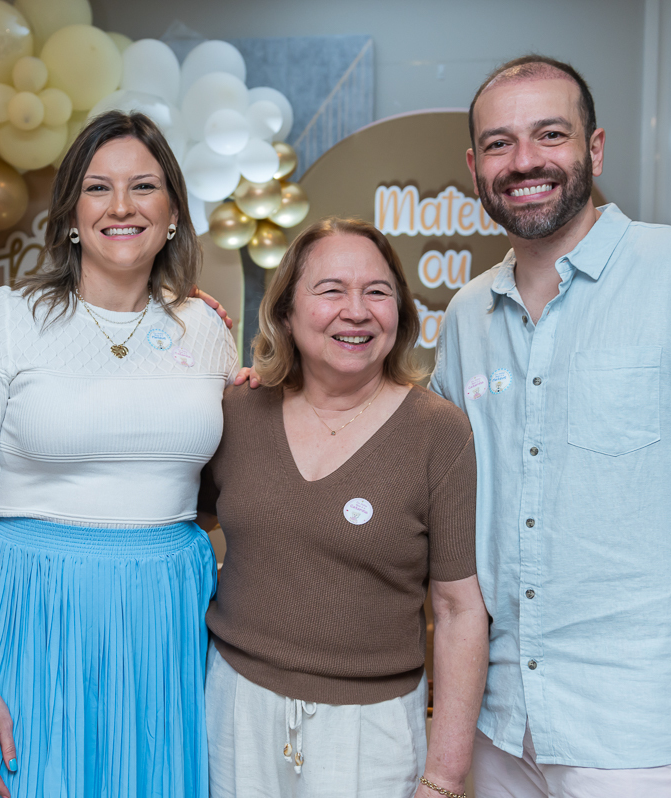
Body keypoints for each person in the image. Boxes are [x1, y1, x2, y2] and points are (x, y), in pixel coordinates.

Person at [430, 55, 671, 798]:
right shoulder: (467, 316)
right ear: (475, 168)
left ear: (595, 149)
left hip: (645, 732)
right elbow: (415, 460)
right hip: (501, 725)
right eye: (500, 144)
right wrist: (271, 383)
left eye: (550, 134)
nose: (525, 161)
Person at [0, 111, 237, 798]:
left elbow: (232, 486)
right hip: (33, 609)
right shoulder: (3, 321)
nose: (121, 206)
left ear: (173, 213)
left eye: (144, 187)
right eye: (98, 188)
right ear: (70, 214)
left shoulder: (207, 330)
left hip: (166, 615)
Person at [201, 217, 489, 798]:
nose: (355, 312)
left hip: (371, 730)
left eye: (377, 292)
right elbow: (175, 519)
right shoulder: (237, 411)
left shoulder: (438, 433)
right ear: (286, 311)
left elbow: (459, 610)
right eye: (330, 290)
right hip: (234, 709)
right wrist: (171, 316)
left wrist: (445, 776)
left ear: (400, 313)